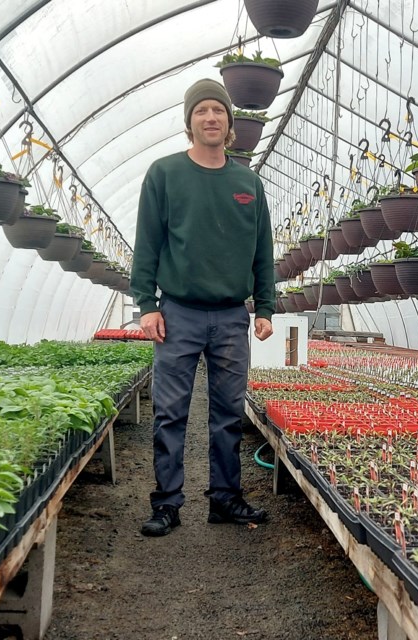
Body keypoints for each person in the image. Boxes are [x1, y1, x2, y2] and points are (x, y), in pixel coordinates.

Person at [130, 78, 275, 537]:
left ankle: (225, 499)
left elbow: (262, 252)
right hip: (178, 314)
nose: (210, 118)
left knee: (228, 413)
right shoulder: (165, 174)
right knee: (170, 412)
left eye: (218, 110)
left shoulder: (247, 182)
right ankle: (167, 504)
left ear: (229, 122)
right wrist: (146, 304)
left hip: (232, 315)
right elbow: (147, 243)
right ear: (190, 121)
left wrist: (266, 307)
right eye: (201, 111)